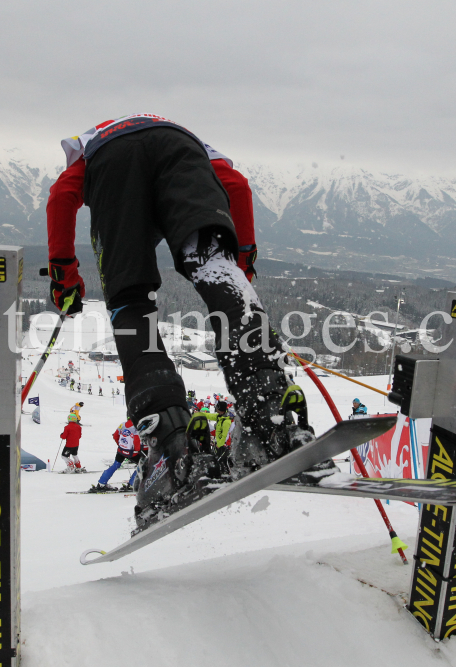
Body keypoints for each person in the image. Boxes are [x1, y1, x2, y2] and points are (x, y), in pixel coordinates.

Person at [46, 113, 323, 529]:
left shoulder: (91, 146)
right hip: (184, 157)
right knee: (214, 266)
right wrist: (242, 263)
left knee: (129, 302)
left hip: (114, 168)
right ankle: (270, 411)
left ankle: (172, 447)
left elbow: (61, 196)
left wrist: (64, 275)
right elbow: (238, 187)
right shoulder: (189, 141)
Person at [92, 420, 143, 493]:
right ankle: (132, 484)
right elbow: (137, 442)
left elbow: (115, 435)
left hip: (121, 450)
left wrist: (120, 445)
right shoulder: (136, 427)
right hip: (132, 453)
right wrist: (138, 451)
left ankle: (101, 483)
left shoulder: (123, 424)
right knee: (141, 465)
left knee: (115, 465)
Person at [205, 400, 234, 475]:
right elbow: (210, 416)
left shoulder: (226, 421)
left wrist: (220, 444)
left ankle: (227, 474)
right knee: (219, 460)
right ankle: (222, 473)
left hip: (224, 445)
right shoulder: (220, 416)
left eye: (217, 409)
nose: (216, 410)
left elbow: (225, 435)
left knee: (223, 460)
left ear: (220, 410)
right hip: (219, 443)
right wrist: (200, 414)